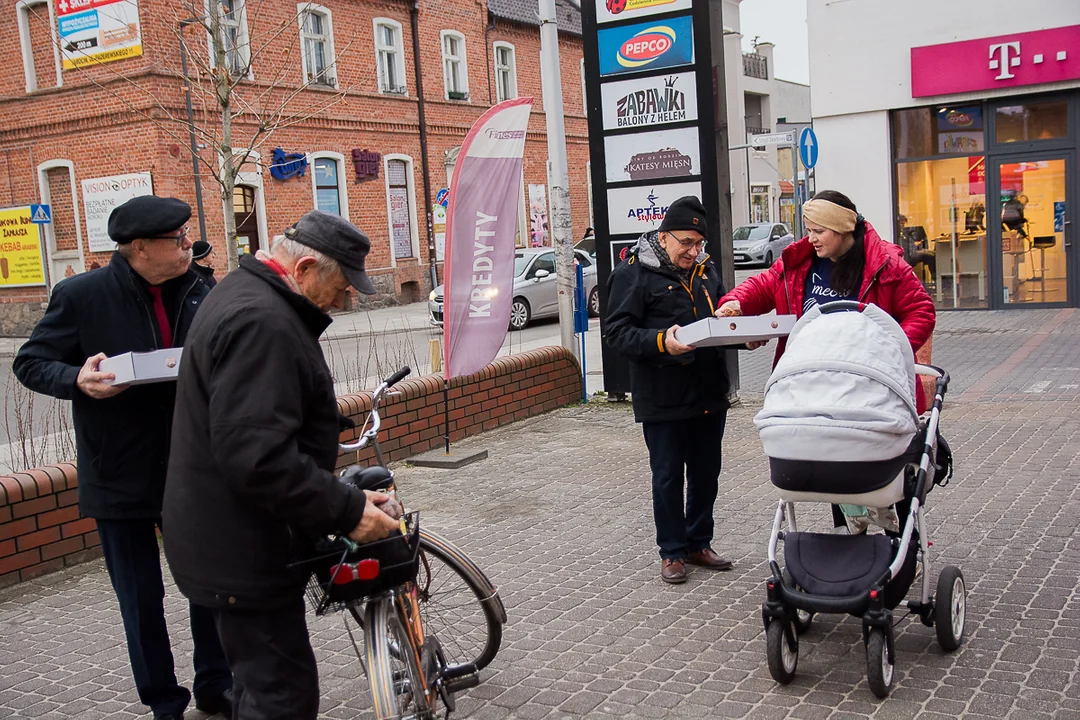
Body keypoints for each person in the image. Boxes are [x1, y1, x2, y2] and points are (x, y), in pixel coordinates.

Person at [163, 210, 402, 720]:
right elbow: (258, 458)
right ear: (306, 267)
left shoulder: (245, 296)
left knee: (259, 686)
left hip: (229, 539)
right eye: (341, 288)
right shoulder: (262, 321)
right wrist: (348, 510)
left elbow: (253, 419)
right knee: (282, 700)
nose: (343, 302)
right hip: (242, 550)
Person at [13, 196, 232, 720]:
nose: (188, 246)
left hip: (191, 466)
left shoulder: (202, 287)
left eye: (186, 236)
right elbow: (31, 362)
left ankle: (216, 683)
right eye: (176, 239)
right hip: (119, 471)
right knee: (141, 599)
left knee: (208, 583)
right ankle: (163, 700)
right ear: (139, 248)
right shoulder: (81, 296)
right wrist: (77, 380)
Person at [717, 191, 936, 528]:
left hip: (873, 385)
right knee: (835, 460)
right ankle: (853, 540)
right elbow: (762, 285)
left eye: (819, 230)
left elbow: (920, 310)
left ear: (843, 229)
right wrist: (736, 303)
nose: (811, 238)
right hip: (816, 383)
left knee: (886, 470)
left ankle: (905, 544)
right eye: (808, 230)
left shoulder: (885, 265)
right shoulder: (799, 262)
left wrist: (889, 352)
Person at [605, 196, 734, 585]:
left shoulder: (706, 270)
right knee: (667, 476)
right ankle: (673, 552)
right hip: (662, 394)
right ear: (664, 237)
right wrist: (663, 341)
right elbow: (616, 333)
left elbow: (721, 313)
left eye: (700, 244)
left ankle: (699, 543)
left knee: (706, 472)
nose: (694, 252)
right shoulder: (633, 273)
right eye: (687, 243)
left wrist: (739, 333)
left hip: (709, 390)